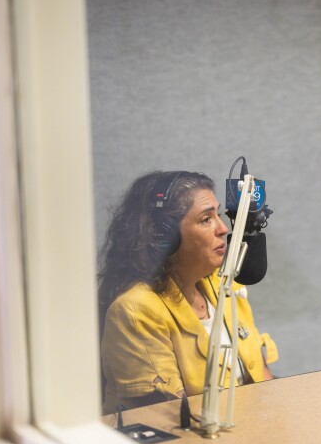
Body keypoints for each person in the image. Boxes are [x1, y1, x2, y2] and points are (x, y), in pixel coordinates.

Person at [98, 170, 277, 414]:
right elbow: (169, 419)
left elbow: (262, 377)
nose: (223, 229)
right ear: (165, 236)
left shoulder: (227, 285)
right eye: (206, 219)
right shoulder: (135, 311)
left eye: (219, 215)